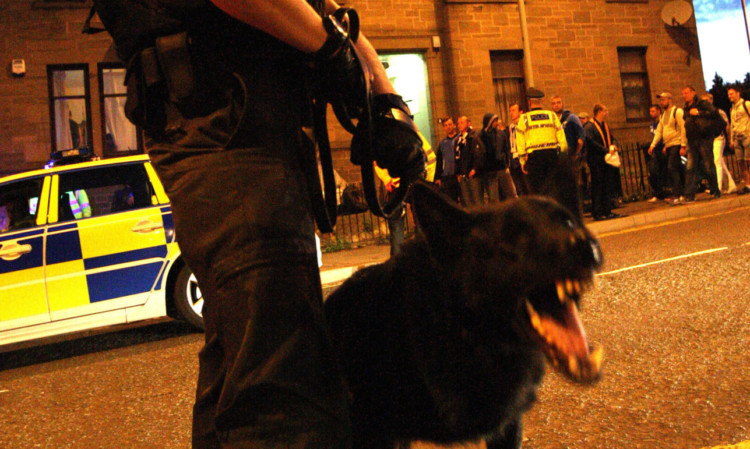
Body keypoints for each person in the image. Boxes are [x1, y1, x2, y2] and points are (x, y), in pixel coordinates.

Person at [108, 1, 425, 448]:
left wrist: (383, 96)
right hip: (227, 121)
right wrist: (333, 51)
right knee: (285, 398)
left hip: (245, 123)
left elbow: (330, 11)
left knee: (244, 369)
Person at [516, 87, 568, 195]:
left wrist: (522, 160)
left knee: (537, 190)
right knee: (553, 189)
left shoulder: (524, 118)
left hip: (534, 158)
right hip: (551, 156)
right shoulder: (552, 116)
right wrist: (563, 156)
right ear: (541, 101)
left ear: (529, 102)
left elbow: (520, 141)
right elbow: (562, 138)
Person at [682, 86, 721, 202]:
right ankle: (689, 195)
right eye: (683, 94)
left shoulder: (701, 103)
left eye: (687, 93)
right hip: (692, 140)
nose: (685, 95)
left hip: (704, 138)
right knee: (690, 167)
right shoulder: (685, 108)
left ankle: (715, 190)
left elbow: (714, 112)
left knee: (709, 165)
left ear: (693, 93)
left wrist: (699, 112)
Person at [584, 104, 622, 220]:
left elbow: (612, 137)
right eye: (605, 111)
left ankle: (607, 210)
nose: (607, 113)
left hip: (606, 160)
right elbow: (590, 142)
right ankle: (597, 212)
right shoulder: (590, 126)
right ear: (599, 112)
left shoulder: (604, 125)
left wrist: (614, 145)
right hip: (596, 160)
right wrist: (606, 150)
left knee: (607, 186)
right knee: (598, 186)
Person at [648, 92, 687, 205]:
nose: (662, 102)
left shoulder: (677, 112)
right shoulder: (664, 115)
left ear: (670, 99)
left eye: (664, 100)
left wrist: (683, 145)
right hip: (669, 144)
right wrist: (653, 145)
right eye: (661, 100)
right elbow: (659, 131)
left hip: (676, 143)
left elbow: (683, 127)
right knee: (677, 169)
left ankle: (678, 194)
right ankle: (684, 192)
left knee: (672, 168)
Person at [702, 93, 736, 194]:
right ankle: (731, 185)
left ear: (711, 101)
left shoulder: (718, 112)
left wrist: (730, 139)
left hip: (719, 137)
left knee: (716, 161)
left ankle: (718, 187)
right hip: (711, 139)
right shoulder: (705, 114)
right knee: (720, 162)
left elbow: (727, 126)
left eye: (706, 101)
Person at [477, 113, 516, 202]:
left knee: (511, 193)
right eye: (494, 121)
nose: (496, 123)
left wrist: (506, 161)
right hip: (490, 171)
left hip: (502, 168)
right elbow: (479, 153)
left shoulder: (500, 134)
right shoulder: (480, 136)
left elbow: (506, 148)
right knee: (494, 197)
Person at [455, 115, 485, 206]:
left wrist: (475, 168)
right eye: (458, 123)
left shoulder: (473, 137)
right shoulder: (458, 140)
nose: (459, 125)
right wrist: (458, 172)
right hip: (463, 174)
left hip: (473, 174)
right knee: (467, 202)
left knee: (477, 200)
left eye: (462, 122)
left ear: (468, 123)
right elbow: (457, 156)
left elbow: (479, 153)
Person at [728, 86, 750, 194]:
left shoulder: (746, 104)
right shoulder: (732, 108)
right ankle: (748, 184)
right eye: (728, 94)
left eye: (731, 94)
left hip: (747, 136)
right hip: (737, 138)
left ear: (738, 93)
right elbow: (732, 124)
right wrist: (732, 139)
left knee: (748, 160)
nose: (729, 96)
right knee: (741, 162)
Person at [435, 116, 461, 203]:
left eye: (450, 124)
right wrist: (438, 177)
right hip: (447, 177)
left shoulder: (460, 139)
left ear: (454, 125)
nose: (448, 127)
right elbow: (439, 161)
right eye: (445, 125)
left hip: (459, 176)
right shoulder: (442, 143)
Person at [550, 96, 585, 161]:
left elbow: (581, 136)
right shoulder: (551, 120)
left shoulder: (572, 118)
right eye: (553, 103)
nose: (556, 105)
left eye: (558, 102)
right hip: (557, 157)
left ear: (562, 104)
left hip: (572, 155)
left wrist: (576, 153)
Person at [508, 103, 530, 195]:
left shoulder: (524, 124)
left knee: (527, 185)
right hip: (514, 158)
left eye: (513, 110)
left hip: (522, 155)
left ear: (520, 112)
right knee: (518, 187)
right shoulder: (511, 126)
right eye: (510, 111)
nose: (511, 113)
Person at [645, 104, 666, 202]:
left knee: (666, 170)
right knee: (654, 171)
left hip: (663, 147)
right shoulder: (652, 124)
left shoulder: (662, 121)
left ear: (658, 111)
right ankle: (658, 193)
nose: (651, 114)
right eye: (650, 112)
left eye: (653, 111)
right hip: (656, 149)